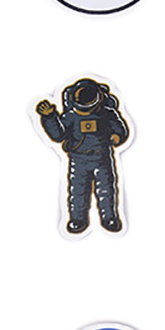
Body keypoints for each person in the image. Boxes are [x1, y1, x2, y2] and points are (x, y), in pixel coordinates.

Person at [37, 78, 130, 233]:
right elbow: (58, 135)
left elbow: (120, 128)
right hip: (79, 159)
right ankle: (78, 219)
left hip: (102, 157)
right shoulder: (71, 116)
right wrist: (50, 117)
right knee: (78, 191)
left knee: (106, 190)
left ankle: (109, 218)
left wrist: (118, 136)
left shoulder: (107, 114)